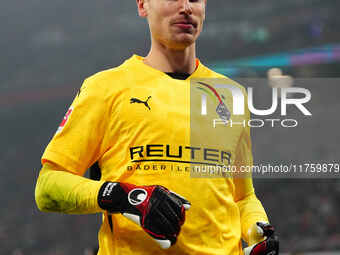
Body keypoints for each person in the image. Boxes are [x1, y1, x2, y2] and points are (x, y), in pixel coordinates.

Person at [35, 0, 279, 254]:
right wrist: (123, 196)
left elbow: (243, 197)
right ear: (143, 5)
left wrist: (256, 231)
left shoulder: (232, 95)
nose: (185, 7)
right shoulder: (106, 88)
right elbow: (48, 186)